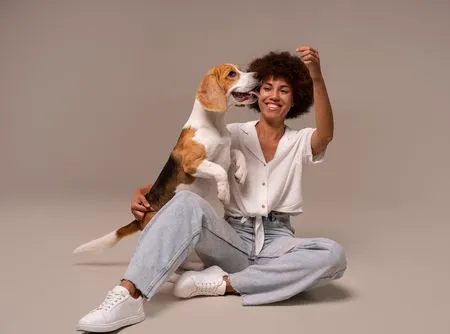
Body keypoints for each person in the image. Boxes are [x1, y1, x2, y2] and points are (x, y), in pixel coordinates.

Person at [76, 46, 347, 333]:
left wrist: (316, 77)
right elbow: (184, 164)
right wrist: (143, 193)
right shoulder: (232, 134)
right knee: (184, 202)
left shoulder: (299, 141)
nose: (274, 96)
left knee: (333, 255)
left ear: (296, 100)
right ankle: (128, 295)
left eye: (284, 90)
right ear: (256, 94)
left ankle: (221, 283)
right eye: (267, 88)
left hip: (277, 242)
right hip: (232, 239)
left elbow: (326, 134)